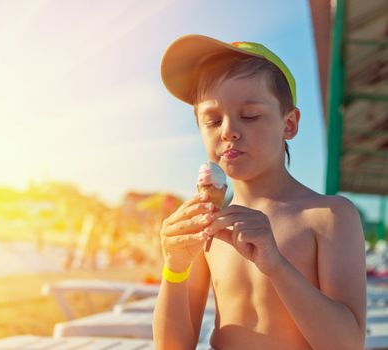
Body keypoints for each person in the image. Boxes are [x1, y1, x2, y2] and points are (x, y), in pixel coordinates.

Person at [153, 34, 366, 350]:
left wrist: (277, 266)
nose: (228, 131)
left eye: (250, 116)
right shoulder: (206, 225)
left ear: (289, 124)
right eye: (212, 120)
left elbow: (347, 345)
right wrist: (174, 267)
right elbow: (172, 346)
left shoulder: (329, 216)